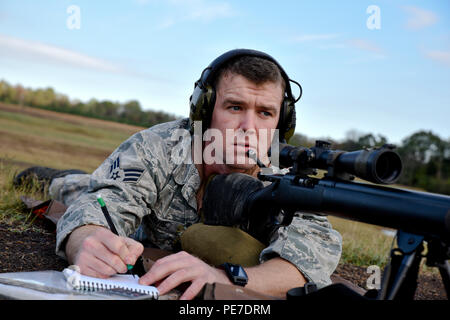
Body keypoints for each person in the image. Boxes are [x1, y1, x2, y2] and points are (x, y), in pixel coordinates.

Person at [19, 49, 342, 300]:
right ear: (204, 109)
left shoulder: (289, 176)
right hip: (123, 208)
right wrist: (85, 240)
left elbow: (308, 259)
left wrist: (227, 278)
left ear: (280, 122)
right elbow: (103, 203)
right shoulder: (159, 146)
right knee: (75, 188)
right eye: (234, 107)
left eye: (265, 113)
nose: (249, 128)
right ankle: (52, 175)